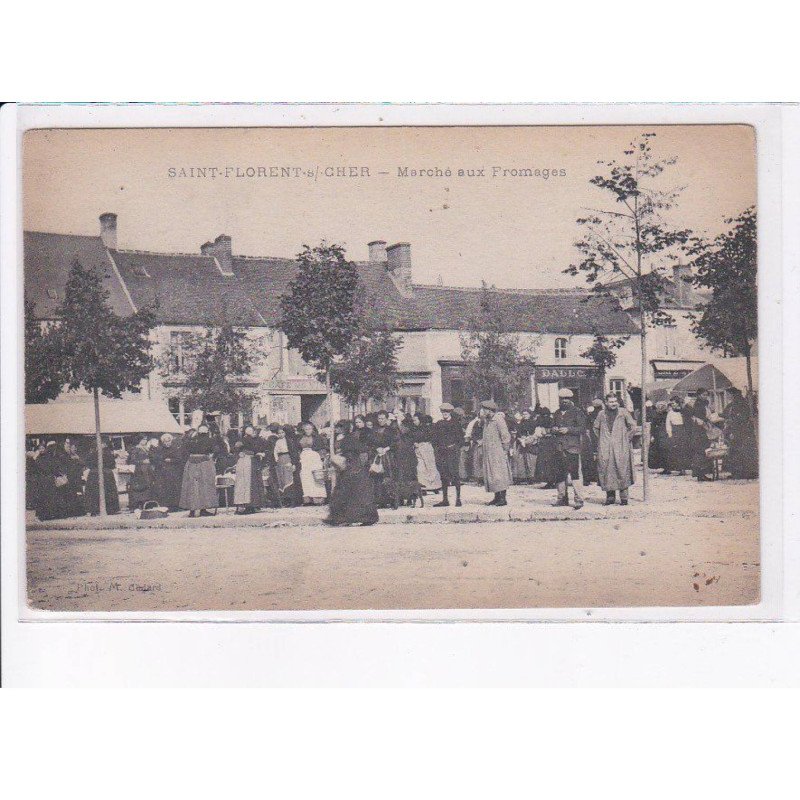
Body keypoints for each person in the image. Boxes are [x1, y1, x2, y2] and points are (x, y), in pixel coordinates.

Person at [326, 421, 379, 526]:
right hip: (348, 468)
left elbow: (359, 451)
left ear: (343, 429)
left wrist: (349, 462)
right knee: (349, 493)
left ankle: (351, 518)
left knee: (351, 493)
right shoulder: (341, 438)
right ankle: (342, 518)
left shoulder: (349, 439)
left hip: (352, 468)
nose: (336, 430)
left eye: (339, 428)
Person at [594, 392, 636, 505]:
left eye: (615, 401)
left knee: (622, 470)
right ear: (606, 403)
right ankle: (610, 498)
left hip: (621, 447)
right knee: (607, 470)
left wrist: (626, 438)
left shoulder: (623, 412)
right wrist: (603, 439)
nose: (613, 404)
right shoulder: (601, 414)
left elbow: (633, 426)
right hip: (605, 447)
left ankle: (624, 498)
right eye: (611, 402)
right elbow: (596, 428)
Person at [551, 389, 585, 509]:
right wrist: (554, 429)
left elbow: (582, 428)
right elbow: (551, 427)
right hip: (559, 448)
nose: (564, 401)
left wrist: (568, 430)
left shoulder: (577, 412)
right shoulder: (556, 413)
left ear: (571, 399)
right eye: (562, 399)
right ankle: (561, 499)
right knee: (560, 474)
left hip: (572, 447)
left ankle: (579, 500)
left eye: (567, 398)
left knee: (575, 474)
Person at [179, 424, 219, 517]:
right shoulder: (210, 440)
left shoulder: (191, 439)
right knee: (203, 486)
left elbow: (184, 450)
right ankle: (202, 509)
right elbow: (216, 449)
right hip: (204, 464)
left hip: (192, 463)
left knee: (193, 486)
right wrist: (211, 456)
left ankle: (193, 511)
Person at [480, 400, 512, 506]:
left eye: (484, 409)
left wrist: (505, 451)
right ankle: (496, 497)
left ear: (490, 410)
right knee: (492, 474)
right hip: (489, 452)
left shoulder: (498, 419)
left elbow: (505, 436)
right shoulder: (487, 420)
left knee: (500, 474)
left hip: (498, 452)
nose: (483, 411)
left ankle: (503, 498)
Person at [431, 403, 464, 507]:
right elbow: (434, 439)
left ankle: (458, 499)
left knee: (455, 475)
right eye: (443, 412)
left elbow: (461, 440)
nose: (445, 413)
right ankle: (445, 500)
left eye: (447, 412)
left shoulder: (456, 424)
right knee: (443, 475)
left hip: (452, 453)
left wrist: (455, 448)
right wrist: (437, 448)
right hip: (441, 453)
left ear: (450, 412)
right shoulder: (438, 424)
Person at [722, 388, 758, 479]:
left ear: (734, 395)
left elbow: (739, 418)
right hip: (739, 431)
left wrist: (732, 428)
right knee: (739, 451)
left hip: (740, 431)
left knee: (738, 451)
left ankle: (740, 473)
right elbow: (726, 414)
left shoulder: (740, 404)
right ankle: (740, 472)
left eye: (729, 395)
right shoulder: (735, 404)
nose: (728, 396)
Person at [366, 410, 399, 509]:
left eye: (382, 418)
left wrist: (386, 448)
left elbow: (396, 443)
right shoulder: (374, 430)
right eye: (379, 418)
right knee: (376, 477)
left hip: (388, 456)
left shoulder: (392, 430)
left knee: (388, 477)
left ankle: (391, 499)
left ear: (386, 419)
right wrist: (376, 448)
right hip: (376, 455)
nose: (380, 420)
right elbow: (369, 442)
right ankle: (379, 500)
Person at [233, 425, 266, 514]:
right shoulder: (243, 440)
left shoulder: (257, 440)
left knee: (252, 483)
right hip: (246, 463)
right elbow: (237, 449)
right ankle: (246, 504)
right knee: (245, 483)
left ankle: (252, 505)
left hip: (252, 462)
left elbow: (259, 449)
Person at [85, 437, 121, 515]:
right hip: (106, 474)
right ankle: (110, 509)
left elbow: (87, 464)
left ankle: (94, 510)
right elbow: (112, 465)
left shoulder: (91, 454)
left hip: (94, 475)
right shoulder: (108, 454)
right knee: (108, 491)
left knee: (94, 493)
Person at [151, 433, 185, 511]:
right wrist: (163, 461)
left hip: (174, 472)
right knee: (165, 489)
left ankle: (176, 506)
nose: (167, 443)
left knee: (175, 488)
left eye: (169, 441)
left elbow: (179, 459)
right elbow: (157, 459)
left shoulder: (175, 449)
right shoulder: (159, 449)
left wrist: (171, 460)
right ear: (163, 442)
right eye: (166, 442)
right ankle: (166, 506)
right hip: (163, 473)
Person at [411, 413, 442, 494]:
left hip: (426, 448)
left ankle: (435, 486)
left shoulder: (427, 428)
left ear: (420, 420)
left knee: (430, 466)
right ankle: (423, 486)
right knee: (420, 467)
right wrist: (414, 443)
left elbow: (432, 437)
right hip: (418, 449)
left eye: (415, 420)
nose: (414, 422)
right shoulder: (414, 428)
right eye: (413, 420)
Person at [688, 389, 714, 481]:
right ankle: (700, 474)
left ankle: (701, 474)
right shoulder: (698, 405)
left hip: (702, 429)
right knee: (701, 451)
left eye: (706, 395)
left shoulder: (703, 404)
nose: (705, 396)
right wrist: (707, 424)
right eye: (703, 395)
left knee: (702, 451)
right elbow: (699, 419)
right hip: (699, 430)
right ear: (699, 395)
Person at [298, 431, 327, 505]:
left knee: (307, 484)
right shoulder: (315, 454)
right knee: (316, 484)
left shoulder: (302, 454)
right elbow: (319, 464)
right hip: (314, 472)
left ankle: (308, 500)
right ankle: (318, 500)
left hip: (305, 473)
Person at [128, 436, 155, 511]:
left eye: (146, 439)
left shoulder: (147, 448)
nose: (145, 441)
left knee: (147, 486)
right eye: (143, 439)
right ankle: (136, 505)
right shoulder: (136, 449)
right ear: (139, 440)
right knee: (139, 488)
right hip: (139, 471)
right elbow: (132, 460)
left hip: (147, 470)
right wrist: (142, 461)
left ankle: (146, 504)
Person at [581, 399, 603, 486]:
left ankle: (588, 479)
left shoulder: (589, 416)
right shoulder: (603, 415)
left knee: (589, 459)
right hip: (599, 439)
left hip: (589, 440)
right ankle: (599, 479)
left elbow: (586, 429)